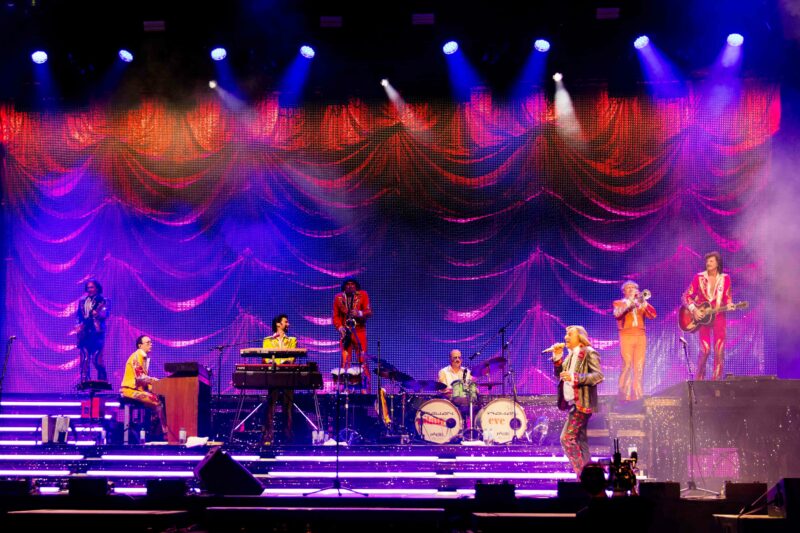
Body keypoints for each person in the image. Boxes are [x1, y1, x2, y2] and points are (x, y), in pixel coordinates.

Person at [550, 325, 604, 475]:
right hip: (573, 404)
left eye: (570, 334)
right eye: (566, 334)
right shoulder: (570, 356)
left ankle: (582, 475)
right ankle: (592, 476)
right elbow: (560, 375)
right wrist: (558, 358)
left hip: (582, 403)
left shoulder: (589, 353)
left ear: (580, 337)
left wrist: (575, 377)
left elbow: (598, 376)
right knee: (580, 442)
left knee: (566, 439)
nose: (566, 337)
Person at [682, 251, 735, 380]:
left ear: (717, 264)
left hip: (719, 317)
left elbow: (727, 297)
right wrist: (694, 310)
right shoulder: (699, 277)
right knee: (705, 350)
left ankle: (716, 382)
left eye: (711, 261)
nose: (708, 263)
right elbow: (687, 296)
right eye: (707, 261)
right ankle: (699, 380)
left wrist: (730, 304)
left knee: (719, 350)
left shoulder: (725, 278)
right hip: (703, 318)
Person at [613, 281, 656, 402]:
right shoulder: (619, 303)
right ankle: (624, 395)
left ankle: (637, 395)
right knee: (627, 364)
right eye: (629, 288)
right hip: (626, 335)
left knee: (639, 366)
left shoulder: (640, 303)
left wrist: (644, 302)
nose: (632, 290)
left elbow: (653, 315)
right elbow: (617, 314)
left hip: (640, 335)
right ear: (624, 291)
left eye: (634, 288)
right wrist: (631, 302)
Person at [120, 335, 167, 438]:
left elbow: (144, 381)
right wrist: (155, 381)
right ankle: (164, 432)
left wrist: (157, 387)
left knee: (159, 401)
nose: (151, 344)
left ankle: (155, 432)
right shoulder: (137, 355)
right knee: (156, 401)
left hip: (137, 390)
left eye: (151, 342)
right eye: (148, 343)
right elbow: (140, 377)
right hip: (129, 391)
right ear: (140, 345)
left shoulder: (143, 357)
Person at [261, 314, 297, 444]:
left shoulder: (292, 340)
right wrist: (275, 364)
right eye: (285, 322)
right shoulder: (267, 340)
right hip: (273, 375)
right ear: (278, 324)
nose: (288, 324)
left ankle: (287, 437)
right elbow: (266, 358)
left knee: (288, 406)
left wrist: (281, 363)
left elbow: (292, 358)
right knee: (271, 405)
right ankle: (268, 436)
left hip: (287, 375)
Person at [333, 279, 372, 391]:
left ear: (356, 286)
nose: (350, 286)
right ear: (344, 287)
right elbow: (335, 316)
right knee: (345, 362)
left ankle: (366, 391)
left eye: (352, 284)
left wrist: (359, 313)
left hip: (359, 331)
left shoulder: (363, 294)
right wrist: (340, 327)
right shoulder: (338, 298)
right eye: (348, 284)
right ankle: (346, 391)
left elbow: (369, 311)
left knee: (363, 360)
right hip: (345, 333)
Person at [75, 278, 109, 382]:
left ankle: (102, 381)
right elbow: (78, 315)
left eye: (92, 287)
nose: (90, 289)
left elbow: (106, 314)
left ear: (97, 288)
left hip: (96, 332)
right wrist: (78, 325)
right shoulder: (82, 301)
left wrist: (98, 314)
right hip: (84, 332)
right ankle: (84, 381)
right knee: (84, 358)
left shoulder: (103, 301)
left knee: (96, 359)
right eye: (88, 287)